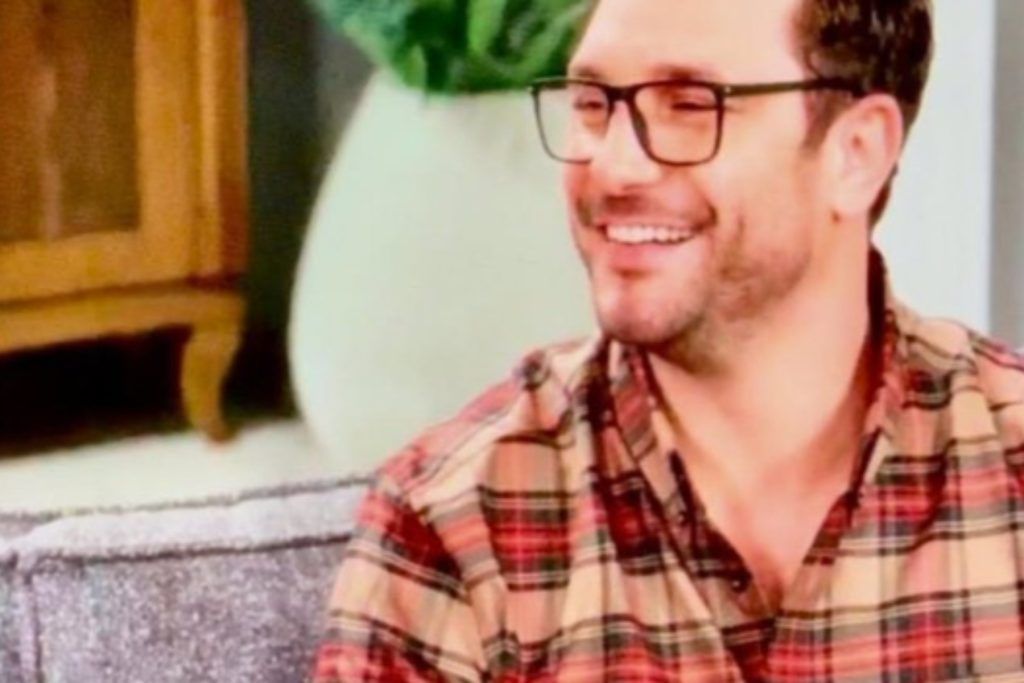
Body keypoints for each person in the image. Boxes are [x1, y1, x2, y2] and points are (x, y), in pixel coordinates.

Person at [313, 0, 1024, 679]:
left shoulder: (1009, 464)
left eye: (690, 105)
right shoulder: (452, 527)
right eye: (593, 105)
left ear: (857, 153)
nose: (616, 167)